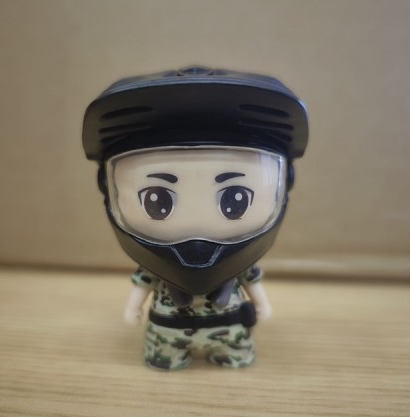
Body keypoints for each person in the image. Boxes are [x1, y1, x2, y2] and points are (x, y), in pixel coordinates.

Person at [82, 65, 308, 369]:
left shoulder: (241, 265)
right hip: (168, 332)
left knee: (232, 352)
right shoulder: (154, 266)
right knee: (165, 356)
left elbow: (251, 281)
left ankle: (227, 355)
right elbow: (144, 282)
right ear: (109, 188)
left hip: (228, 329)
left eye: (236, 200)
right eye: (157, 201)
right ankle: (171, 357)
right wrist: (133, 307)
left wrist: (262, 304)